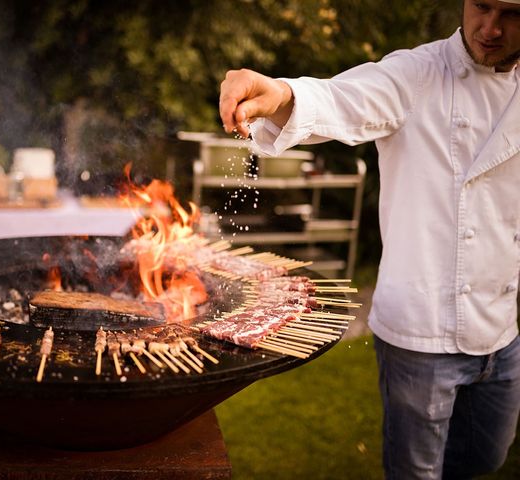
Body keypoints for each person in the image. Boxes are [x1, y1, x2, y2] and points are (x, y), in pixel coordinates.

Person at [219, 1, 520, 478]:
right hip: (420, 333)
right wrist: (279, 93)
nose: (491, 27)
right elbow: (341, 98)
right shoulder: (417, 74)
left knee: (484, 460)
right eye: (481, 6)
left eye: (512, 13)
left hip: (501, 332)